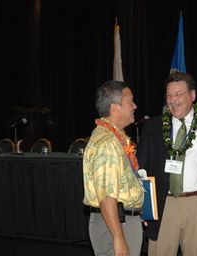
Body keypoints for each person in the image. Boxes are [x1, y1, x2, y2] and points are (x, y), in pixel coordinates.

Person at [137, 72, 197, 256]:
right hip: (164, 205)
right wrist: (146, 210)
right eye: (169, 95)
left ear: (192, 96)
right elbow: (142, 170)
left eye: (178, 94)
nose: (172, 100)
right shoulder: (153, 127)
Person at [83, 80, 144, 256]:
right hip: (115, 223)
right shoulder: (107, 143)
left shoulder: (116, 135)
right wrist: (118, 237)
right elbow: (107, 196)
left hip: (123, 220)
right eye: (130, 101)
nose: (134, 106)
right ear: (115, 108)